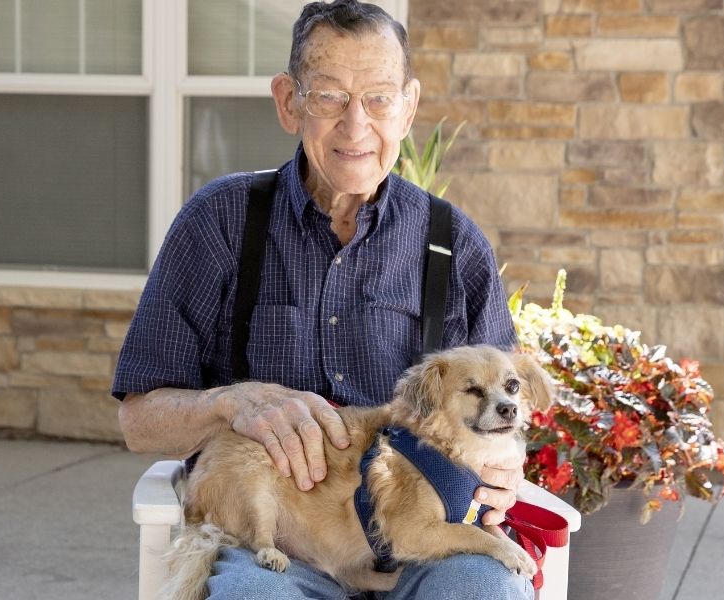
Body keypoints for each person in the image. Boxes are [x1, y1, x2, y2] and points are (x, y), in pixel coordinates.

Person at [112, 1, 530, 598]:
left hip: (424, 540)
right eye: (330, 96)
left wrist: (504, 462)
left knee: (484, 591)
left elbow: (505, 410)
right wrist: (229, 403)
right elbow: (139, 420)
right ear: (289, 102)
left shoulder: (454, 244)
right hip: (276, 540)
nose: (356, 126)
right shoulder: (220, 223)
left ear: (408, 107)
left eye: (379, 99)